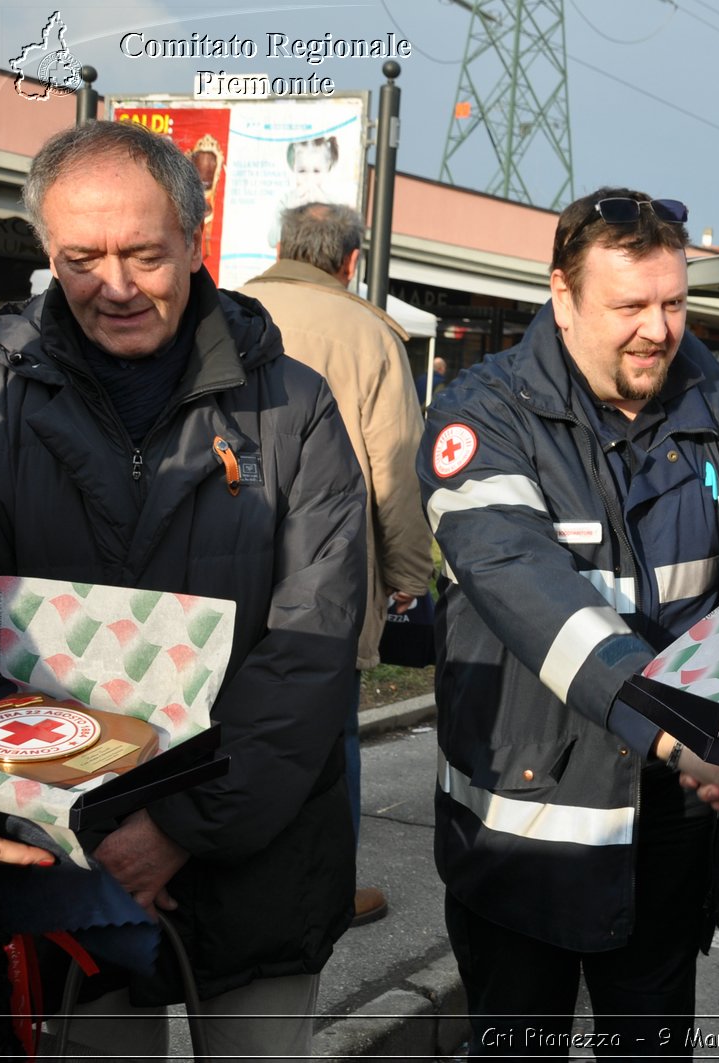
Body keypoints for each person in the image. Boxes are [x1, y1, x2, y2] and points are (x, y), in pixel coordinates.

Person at [0, 120, 365, 1059]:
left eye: (144, 254)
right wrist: (76, 821)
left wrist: (178, 827)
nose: (114, 286)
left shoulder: (294, 408)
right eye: (81, 258)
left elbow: (310, 648)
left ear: (196, 241)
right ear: (47, 251)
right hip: (64, 862)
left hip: (262, 857)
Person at [418, 186, 719, 1057]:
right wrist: (678, 724)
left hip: (673, 825)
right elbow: (524, 586)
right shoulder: (483, 415)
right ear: (562, 294)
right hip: (529, 829)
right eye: (629, 306)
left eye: (674, 302)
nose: (659, 329)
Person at [239, 202, 432, 929]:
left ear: (281, 245)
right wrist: (410, 573)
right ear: (351, 261)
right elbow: (395, 468)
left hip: (225, 557)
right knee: (331, 732)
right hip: (331, 567)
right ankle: (331, 886)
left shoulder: (228, 307)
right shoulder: (369, 335)